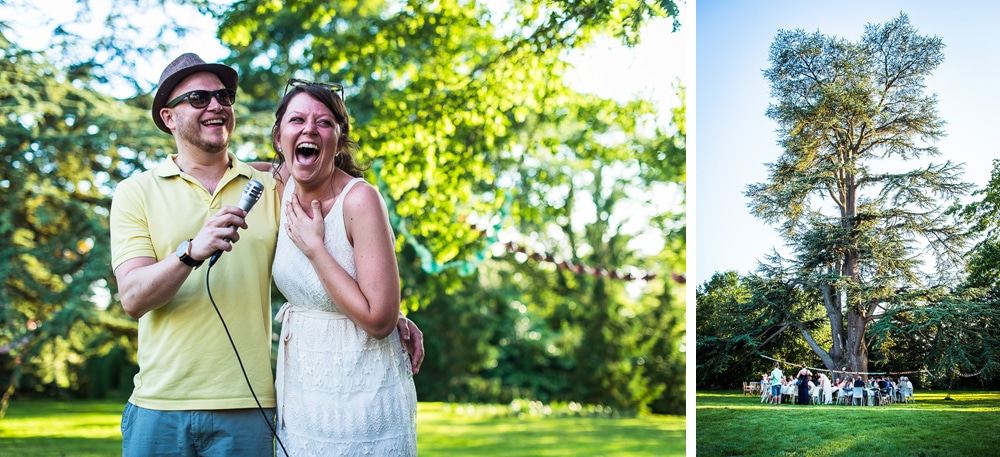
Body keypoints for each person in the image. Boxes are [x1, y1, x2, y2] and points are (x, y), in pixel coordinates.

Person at [111, 53, 423, 457]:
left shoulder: (267, 185)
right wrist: (190, 252)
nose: (215, 105)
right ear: (169, 118)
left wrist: (386, 310)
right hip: (160, 404)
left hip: (250, 407)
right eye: (199, 98)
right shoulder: (137, 192)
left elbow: (340, 218)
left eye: (223, 96)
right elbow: (133, 299)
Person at [266, 79, 418, 455]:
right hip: (301, 390)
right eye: (296, 120)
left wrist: (316, 248)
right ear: (278, 138)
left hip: (363, 392)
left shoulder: (361, 200)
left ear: (339, 137)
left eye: (323, 122)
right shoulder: (280, 183)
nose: (309, 129)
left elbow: (380, 320)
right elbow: (223, 168)